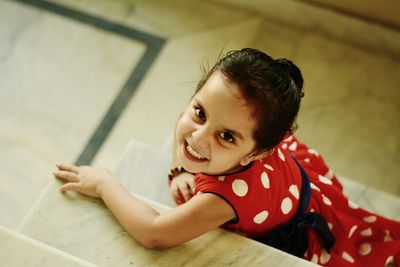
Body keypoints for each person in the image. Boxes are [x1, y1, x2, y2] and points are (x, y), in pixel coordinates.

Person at [54, 48, 400, 266]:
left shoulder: (224, 199)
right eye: (200, 112)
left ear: (262, 150)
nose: (197, 137)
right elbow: (190, 140)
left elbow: (154, 233)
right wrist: (181, 170)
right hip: (291, 182)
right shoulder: (230, 141)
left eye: (226, 136)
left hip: (296, 223)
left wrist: (103, 183)